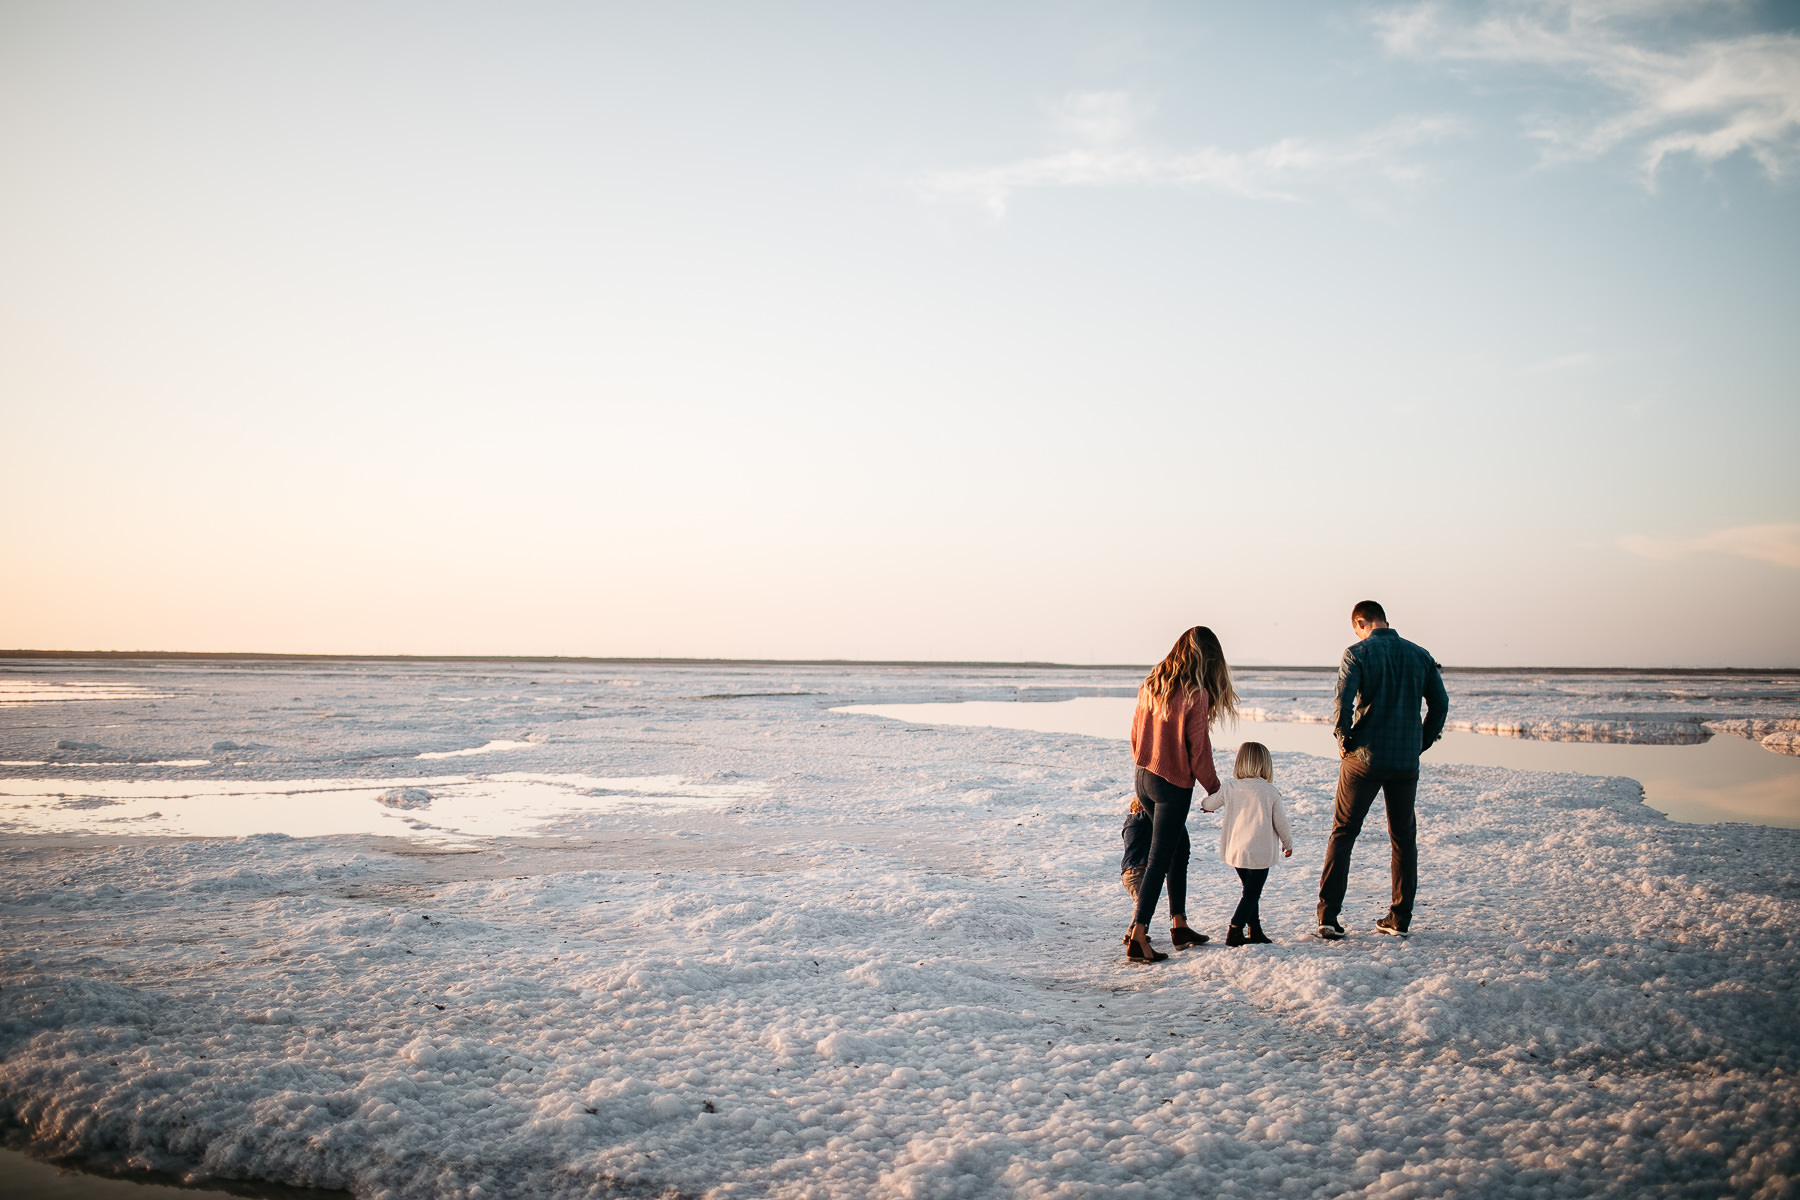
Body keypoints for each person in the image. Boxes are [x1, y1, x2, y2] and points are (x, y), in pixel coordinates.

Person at [1316, 601, 1449, 940]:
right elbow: (1441, 704)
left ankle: (1328, 916)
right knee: (1403, 839)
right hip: (1405, 761)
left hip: (1364, 758)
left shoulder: (1357, 653)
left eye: (1355, 627)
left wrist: (1343, 739)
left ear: (1361, 622)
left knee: (1344, 833)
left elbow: (1343, 701)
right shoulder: (1420, 655)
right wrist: (1421, 741)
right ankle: (1400, 917)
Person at [1123, 626, 1236, 963]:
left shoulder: (1153, 684)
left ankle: (1179, 925)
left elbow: (1134, 733)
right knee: (1160, 858)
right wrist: (1216, 789)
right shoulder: (1195, 693)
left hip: (1143, 776)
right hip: (1171, 784)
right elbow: (1198, 750)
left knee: (1179, 847)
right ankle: (1138, 935)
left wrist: (1143, 763)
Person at [1200, 741, 1293, 946]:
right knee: (1252, 893)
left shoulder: (1231, 787)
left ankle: (1255, 930)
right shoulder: (1270, 791)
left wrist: (1204, 805)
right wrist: (1288, 843)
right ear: (1265, 765)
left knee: (1249, 891)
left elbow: (1212, 802)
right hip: (1260, 852)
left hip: (1237, 851)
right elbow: (1281, 822)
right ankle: (1235, 929)